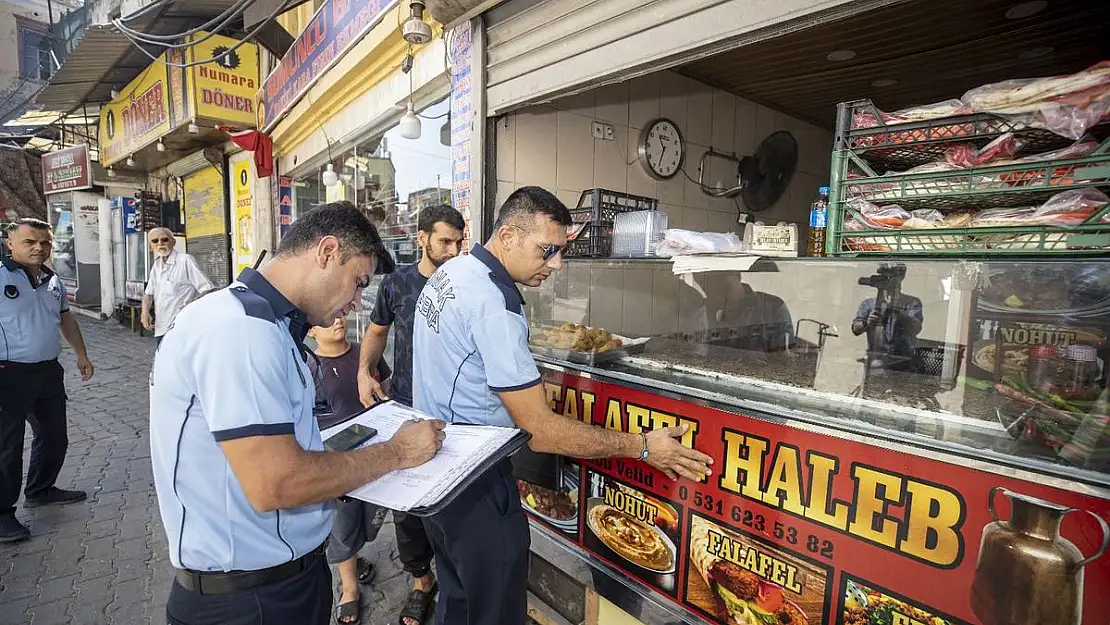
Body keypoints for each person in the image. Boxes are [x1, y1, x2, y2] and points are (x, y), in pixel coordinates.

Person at [411, 187, 713, 625]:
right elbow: (542, 431)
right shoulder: (493, 303)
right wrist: (644, 447)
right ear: (509, 235)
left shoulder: (453, 272)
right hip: (473, 483)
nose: (556, 264)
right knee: (493, 612)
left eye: (560, 252)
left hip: (439, 473)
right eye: (547, 250)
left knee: (457, 602)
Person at [148, 202, 447, 625]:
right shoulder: (241, 331)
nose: (358, 303)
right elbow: (277, 482)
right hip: (251, 600)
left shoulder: (260, 324)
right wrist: (395, 454)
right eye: (357, 283)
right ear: (326, 253)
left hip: (273, 583)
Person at [356, 204, 465, 625]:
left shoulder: (467, 284)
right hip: (405, 408)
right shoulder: (397, 284)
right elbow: (378, 331)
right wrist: (365, 371)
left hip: (455, 414)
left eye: (459, 241)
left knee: (452, 501)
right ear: (422, 239)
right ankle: (422, 581)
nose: (454, 250)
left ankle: (456, 578)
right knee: (408, 508)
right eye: (444, 241)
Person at [0, 218, 93, 543]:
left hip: (47, 371)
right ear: (10, 243)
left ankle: (40, 489)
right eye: (30, 242)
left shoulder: (52, 280)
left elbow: (65, 318)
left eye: (44, 243)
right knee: (7, 447)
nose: (39, 248)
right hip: (8, 374)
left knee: (54, 436)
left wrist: (81, 354)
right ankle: (3, 515)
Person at [307, 316, 392, 625]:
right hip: (335, 462)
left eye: (341, 314)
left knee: (369, 522)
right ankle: (349, 589)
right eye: (328, 319)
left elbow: (385, 388)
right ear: (312, 329)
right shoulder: (308, 367)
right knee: (342, 526)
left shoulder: (364, 354)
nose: (339, 320)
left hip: (375, 453)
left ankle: (354, 560)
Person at [141, 227, 214, 345]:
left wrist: (189, 307)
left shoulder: (185, 260)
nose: (160, 244)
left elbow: (208, 290)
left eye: (164, 240)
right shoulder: (157, 265)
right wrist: (145, 312)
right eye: (155, 241)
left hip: (183, 328)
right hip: (162, 327)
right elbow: (148, 294)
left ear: (173, 242)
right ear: (151, 245)